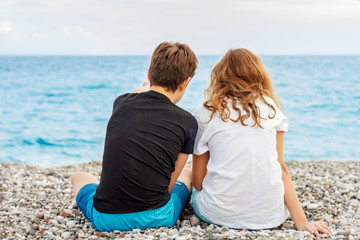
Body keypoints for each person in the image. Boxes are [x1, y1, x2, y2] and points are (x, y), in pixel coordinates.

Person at [191, 48, 332, 237]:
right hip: (270, 216)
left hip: (217, 213)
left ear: (220, 76)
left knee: (188, 178)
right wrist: (303, 222)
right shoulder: (271, 108)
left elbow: (199, 182)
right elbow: (281, 168)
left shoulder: (206, 111)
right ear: (258, 74)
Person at [71, 42, 198, 232]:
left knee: (79, 176)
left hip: (105, 219)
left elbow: (138, 94)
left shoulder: (120, 103)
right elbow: (168, 187)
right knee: (185, 172)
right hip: (157, 217)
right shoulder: (188, 122)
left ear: (148, 74)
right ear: (185, 82)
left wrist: (146, 87)